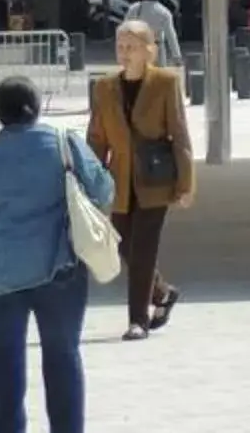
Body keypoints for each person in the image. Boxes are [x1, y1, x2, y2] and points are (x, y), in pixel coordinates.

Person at [0, 75, 105, 433]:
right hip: (60, 267)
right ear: (37, 108)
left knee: (3, 361)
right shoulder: (65, 144)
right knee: (63, 355)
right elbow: (102, 189)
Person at [84, 17, 190, 343]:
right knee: (122, 246)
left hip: (155, 178)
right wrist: (90, 179)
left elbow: (179, 134)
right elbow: (97, 138)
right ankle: (162, 291)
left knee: (143, 250)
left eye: (132, 47)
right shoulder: (104, 87)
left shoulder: (165, 83)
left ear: (149, 51)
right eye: (120, 46)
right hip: (119, 180)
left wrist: (185, 184)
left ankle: (137, 320)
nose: (125, 53)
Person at [122, 0, 181, 75]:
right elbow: (171, 35)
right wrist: (176, 56)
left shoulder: (134, 8)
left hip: (138, 48)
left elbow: (125, 29)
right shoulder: (164, 12)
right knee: (158, 79)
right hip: (157, 49)